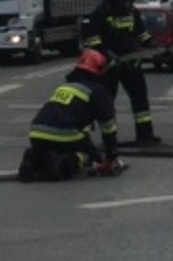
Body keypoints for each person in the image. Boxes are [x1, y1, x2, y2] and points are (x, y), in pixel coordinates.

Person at [18, 48, 124, 181]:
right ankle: (62, 164)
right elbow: (108, 128)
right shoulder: (97, 92)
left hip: (36, 133)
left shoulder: (67, 86)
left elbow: (79, 127)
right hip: (63, 134)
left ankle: (33, 160)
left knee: (53, 147)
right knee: (84, 156)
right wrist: (109, 157)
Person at [83, 0, 161, 144]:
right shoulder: (101, 12)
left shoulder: (132, 11)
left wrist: (152, 44)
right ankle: (110, 138)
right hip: (108, 65)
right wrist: (105, 52)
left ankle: (145, 134)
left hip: (131, 62)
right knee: (107, 101)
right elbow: (92, 38)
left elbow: (141, 33)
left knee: (140, 97)